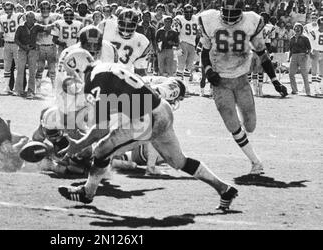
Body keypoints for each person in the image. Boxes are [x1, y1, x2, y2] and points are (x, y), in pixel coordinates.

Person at [56, 48, 238, 211]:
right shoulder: (106, 67)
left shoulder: (94, 81)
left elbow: (101, 129)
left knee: (101, 149)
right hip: (162, 109)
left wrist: (78, 145)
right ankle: (224, 189)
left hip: (147, 118)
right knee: (179, 161)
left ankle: (87, 193)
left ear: (76, 69)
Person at [199, 0, 288, 175]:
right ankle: (256, 162)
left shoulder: (251, 21)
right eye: (227, 12)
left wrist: (275, 80)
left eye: (234, 12)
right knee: (233, 124)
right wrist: (208, 70)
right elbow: (204, 51)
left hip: (241, 80)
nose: (230, 17)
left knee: (251, 125)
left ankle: (242, 130)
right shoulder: (210, 20)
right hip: (220, 81)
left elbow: (262, 53)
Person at [14, 11, 53, 98]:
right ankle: (18, 90)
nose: (30, 19)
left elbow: (45, 28)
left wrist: (54, 25)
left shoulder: (36, 26)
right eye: (29, 17)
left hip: (33, 50)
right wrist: (24, 46)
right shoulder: (20, 27)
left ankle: (31, 90)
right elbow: (16, 39)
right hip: (22, 50)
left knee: (32, 71)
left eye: (32, 17)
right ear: (26, 18)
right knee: (20, 70)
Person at [99, 9, 151, 75]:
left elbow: (140, 70)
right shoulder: (106, 26)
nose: (125, 31)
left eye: (129, 26)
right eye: (123, 24)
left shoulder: (143, 42)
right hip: (102, 71)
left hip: (122, 77)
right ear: (117, 22)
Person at [35, 1, 62, 93]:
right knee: (39, 68)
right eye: (43, 8)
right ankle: (38, 88)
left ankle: (54, 89)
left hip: (51, 45)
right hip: (40, 45)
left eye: (47, 8)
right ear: (40, 9)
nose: (45, 10)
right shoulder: (36, 17)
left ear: (50, 9)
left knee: (52, 69)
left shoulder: (55, 17)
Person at [0, 2, 25, 95]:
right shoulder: (1, 18)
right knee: (7, 66)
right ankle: (7, 87)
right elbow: (1, 32)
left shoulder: (18, 16)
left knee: (19, 66)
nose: (8, 11)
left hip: (16, 43)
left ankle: (18, 87)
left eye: (10, 9)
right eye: (6, 9)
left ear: (13, 8)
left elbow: (22, 28)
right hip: (7, 43)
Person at [174, 4, 199, 93]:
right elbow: (175, 33)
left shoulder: (195, 19)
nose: (188, 14)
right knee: (180, 67)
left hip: (192, 45)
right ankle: (177, 87)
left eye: (190, 12)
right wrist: (177, 46)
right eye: (186, 12)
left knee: (189, 67)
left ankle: (186, 87)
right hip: (182, 43)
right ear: (183, 12)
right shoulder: (179, 18)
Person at [288, 23, 312, 95]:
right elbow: (291, 49)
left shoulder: (305, 38)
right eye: (295, 28)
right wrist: (289, 58)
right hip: (294, 56)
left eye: (298, 28)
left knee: (304, 74)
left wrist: (306, 56)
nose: (297, 29)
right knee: (291, 74)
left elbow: (309, 48)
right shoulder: (292, 38)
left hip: (302, 55)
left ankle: (308, 91)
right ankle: (294, 90)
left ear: (301, 29)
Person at [306, 16, 323, 95]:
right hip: (315, 51)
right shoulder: (313, 32)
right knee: (314, 71)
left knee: (322, 72)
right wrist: (310, 52)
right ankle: (315, 88)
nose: (322, 26)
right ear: (318, 24)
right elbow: (309, 43)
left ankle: (319, 86)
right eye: (321, 24)